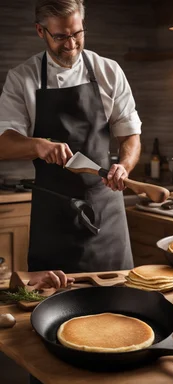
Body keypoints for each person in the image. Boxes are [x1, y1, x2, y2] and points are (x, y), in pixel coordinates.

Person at [0, 0, 142, 277]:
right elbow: (3, 144)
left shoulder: (108, 71)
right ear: (41, 31)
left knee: (118, 300)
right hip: (53, 213)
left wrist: (124, 166)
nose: (71, 44)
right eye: (61, 36)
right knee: (51, 303)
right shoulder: (22, 78)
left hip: (106, 208)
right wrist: (38, 145)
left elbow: (131, 137)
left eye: (77, 33)